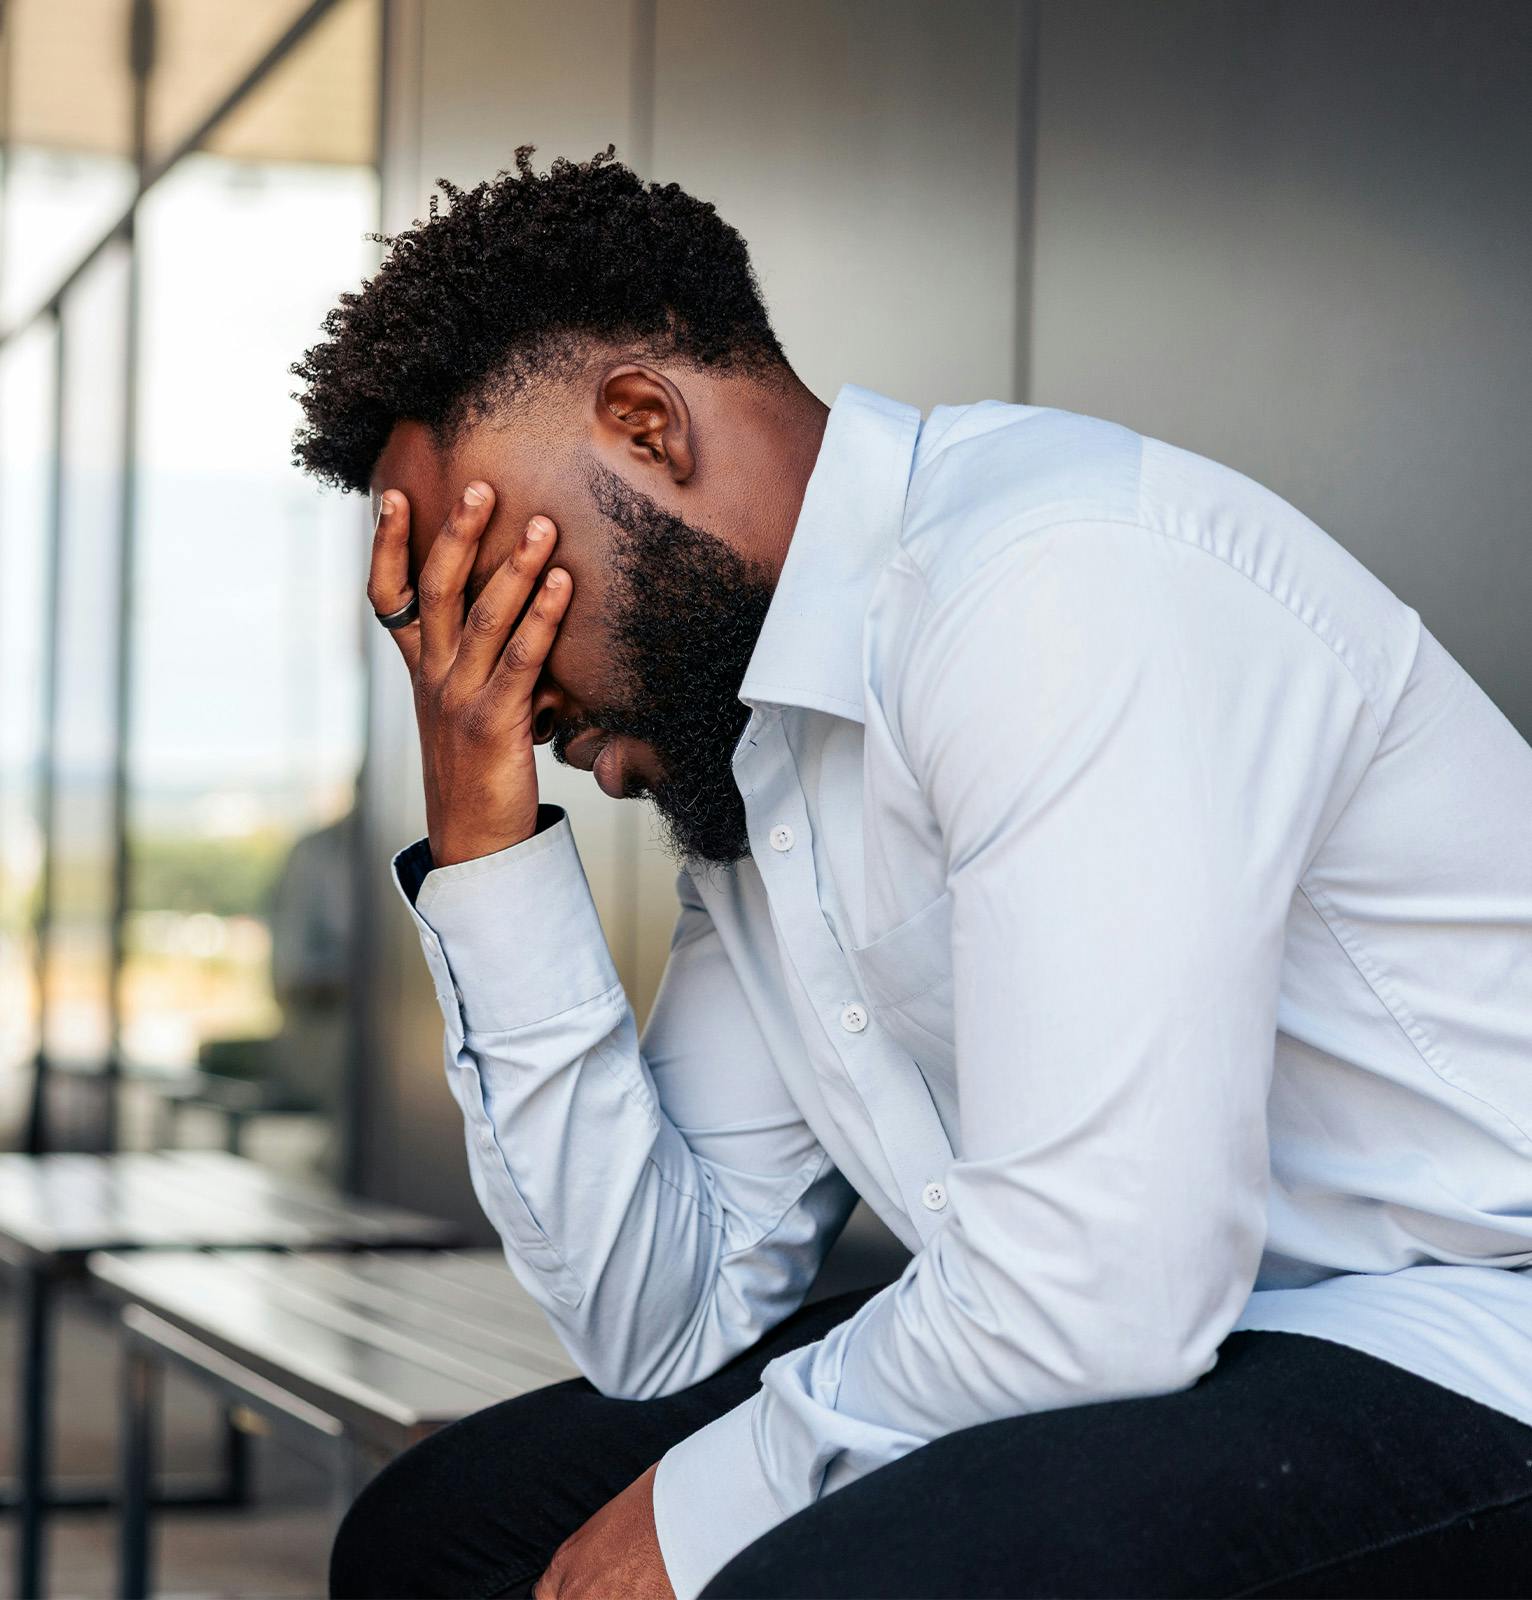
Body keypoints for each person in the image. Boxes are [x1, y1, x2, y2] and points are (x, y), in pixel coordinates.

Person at [294, 149, 1532, 1599]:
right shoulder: (757, 749)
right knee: (445, 1538)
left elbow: (1098, 1292)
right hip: (1180, 1350)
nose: (478, 676)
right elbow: (659, 1314)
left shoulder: (1053, 585)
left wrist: (699, 1512)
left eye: (480, 585)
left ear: (643, 423)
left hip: (1448, 1332)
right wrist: (483, 835)